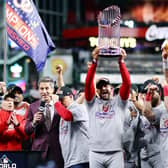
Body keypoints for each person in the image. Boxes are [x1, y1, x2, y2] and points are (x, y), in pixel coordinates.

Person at [85, 47, 131, 168]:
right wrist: (94, 63)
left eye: (107, 86)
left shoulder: (120, 103)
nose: (104, 88)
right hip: (95, 152)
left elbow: (127, 84)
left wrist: (121, 63)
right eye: (101, 86)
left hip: (115, 152)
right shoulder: (91, 103)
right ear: (97, 90)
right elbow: (88, 84)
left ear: (112, 89)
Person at [24, 76, 64, 168]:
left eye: (47, 88)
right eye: (41, 88)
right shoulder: (33, 107)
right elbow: (27, 130)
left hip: (58, 149)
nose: (44, 91)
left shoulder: (60, 105)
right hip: (39, 149)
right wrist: (33, 123)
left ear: (52, 89)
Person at [54, 86, 89, 168]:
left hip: (81, 160)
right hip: (70, 161)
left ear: (71, 97)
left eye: (62, 99)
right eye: (59, 99)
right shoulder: (64, 111)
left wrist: (56, 102)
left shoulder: (78, 107)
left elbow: (68, 116)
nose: (60, 101)